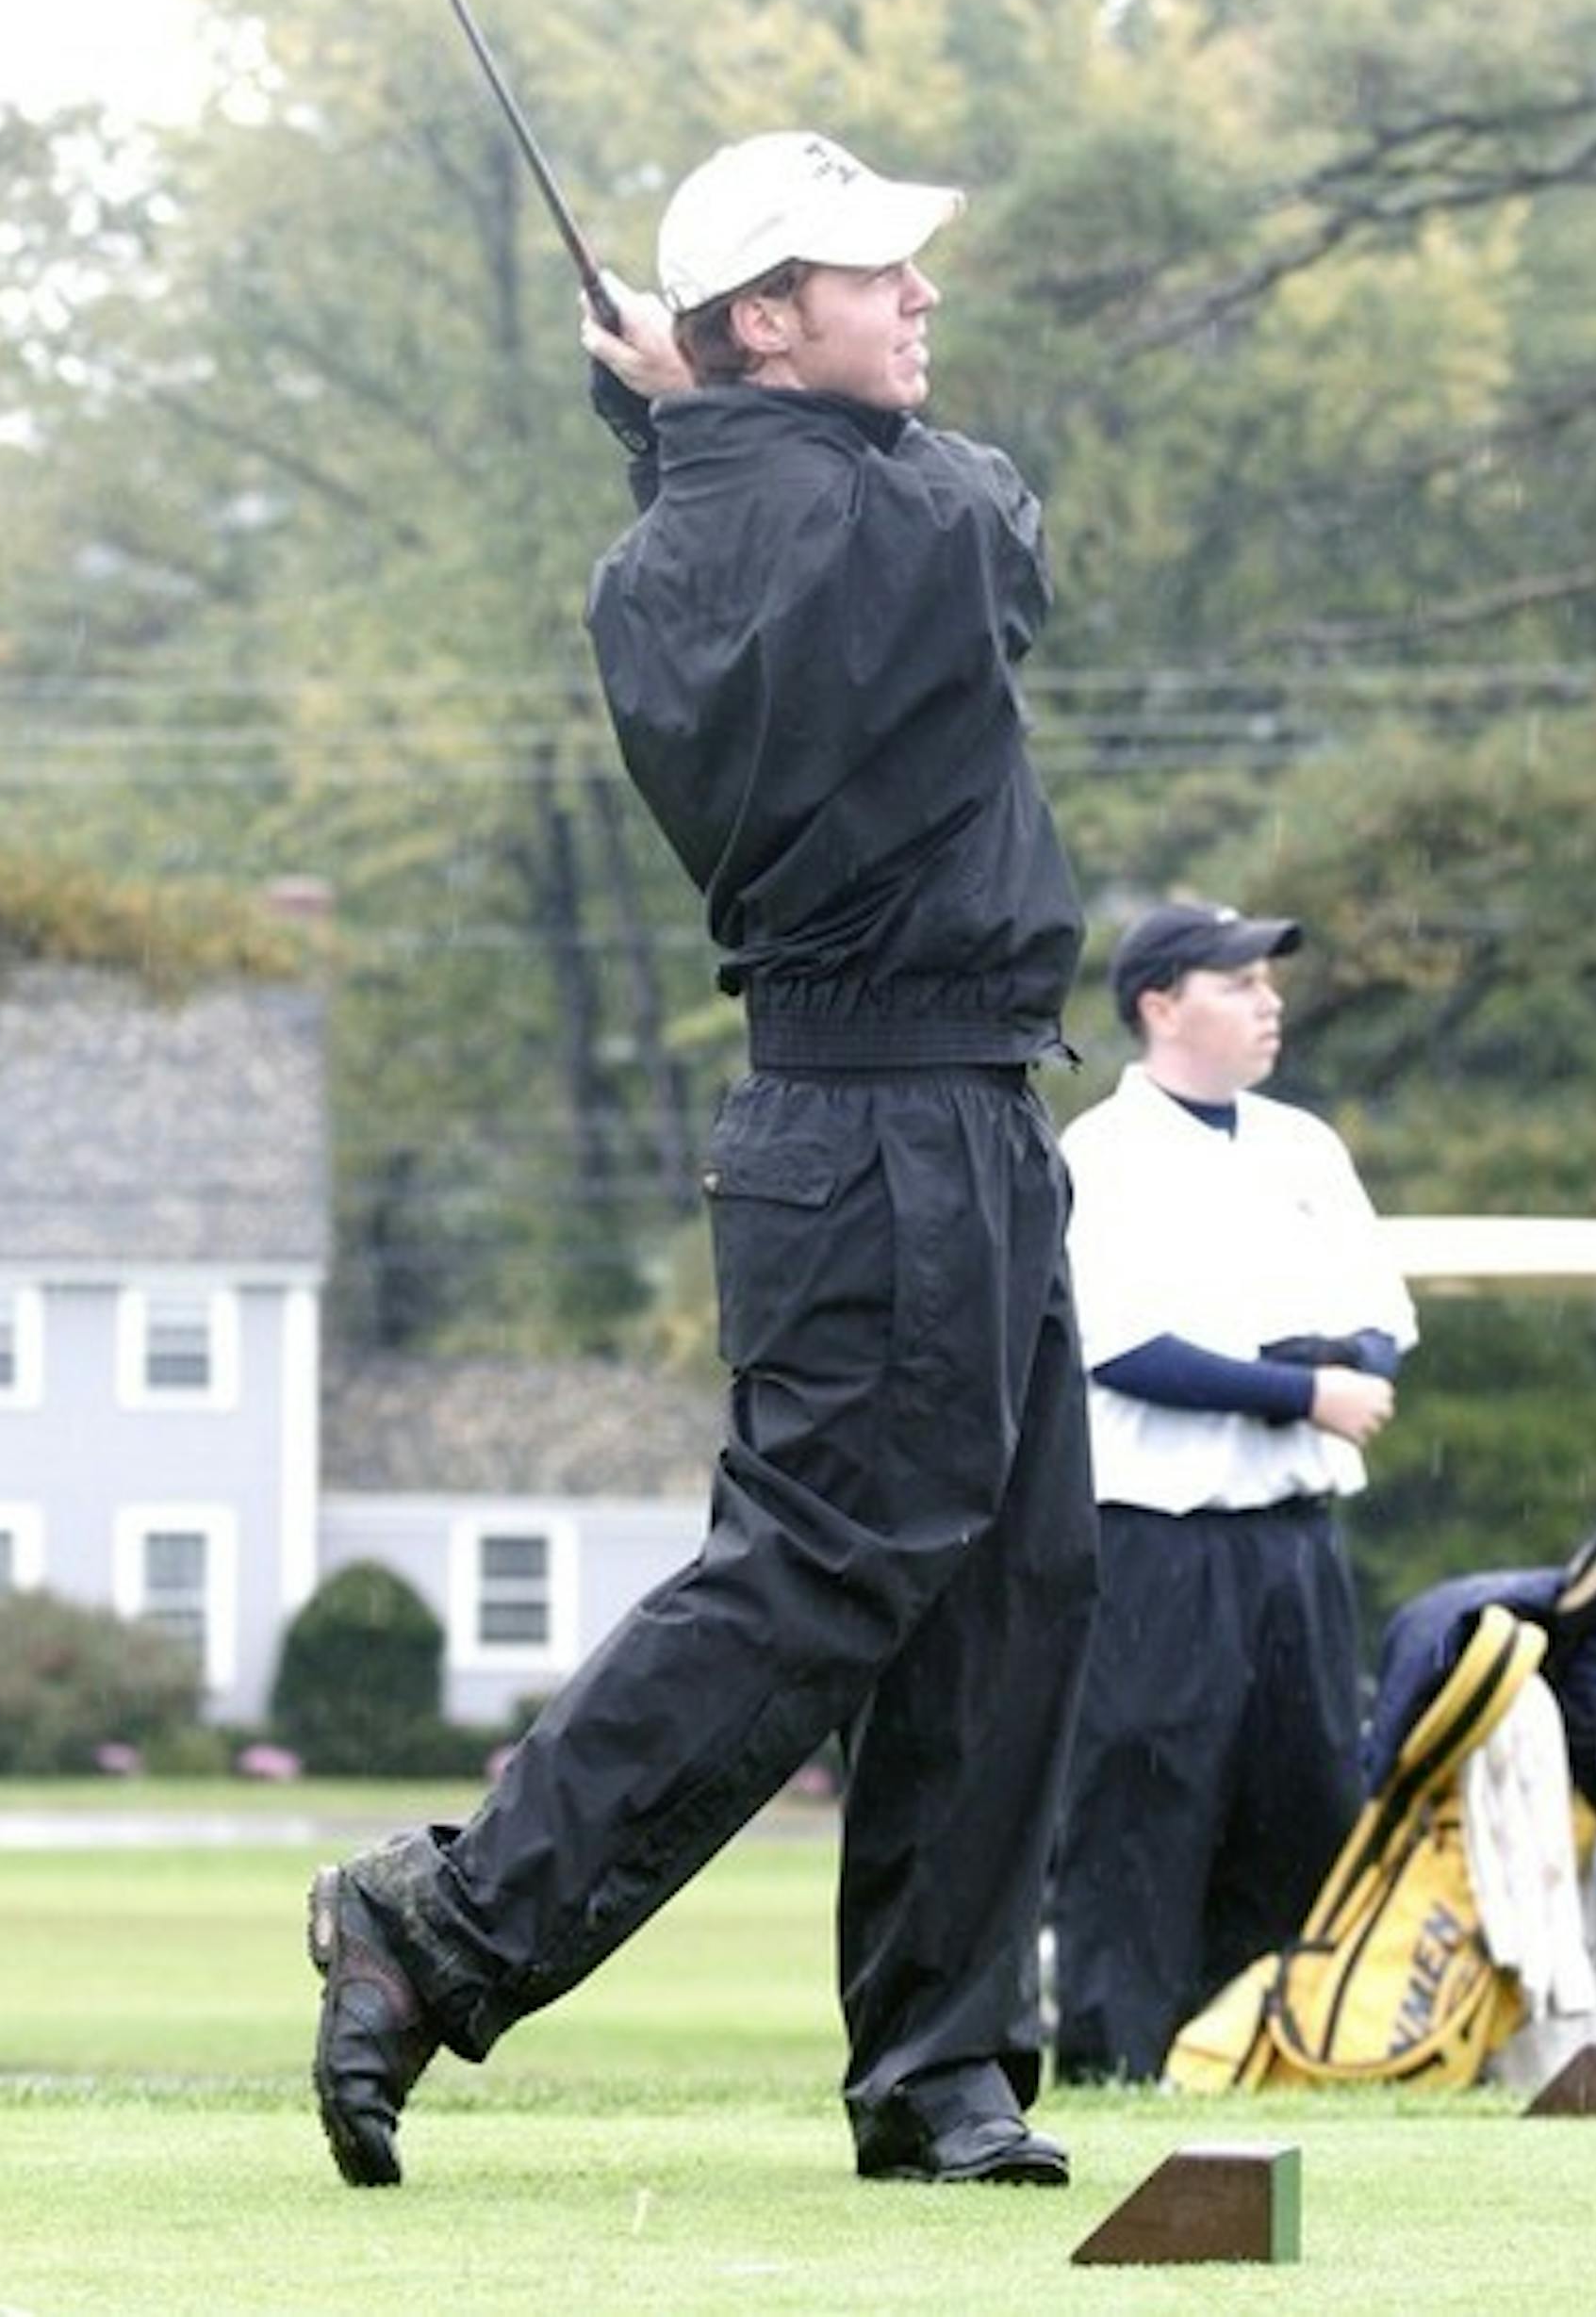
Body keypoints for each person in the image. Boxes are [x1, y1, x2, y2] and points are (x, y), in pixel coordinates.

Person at [308, 129, 1099, 2189]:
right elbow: (999, 533)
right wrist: (698, 414)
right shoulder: (855, 527)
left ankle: (937, 2067)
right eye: (871, 276)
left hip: (950, 1116)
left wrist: (680, 417)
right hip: (877, 1124)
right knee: (829, 1572)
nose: (921, 297)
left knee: (1001, 1594)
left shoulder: (673, 540)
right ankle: (442, 1922)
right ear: (766, 322)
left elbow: (808, 498)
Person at [1045, 899, 1418, 2085]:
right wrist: (1297, 1391)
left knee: (1303, 1793)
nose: (1267, 1003)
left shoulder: (1302, 1147)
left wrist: (1335, 1364)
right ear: (1160, 1004)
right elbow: (1120, 1345)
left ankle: (1263, 2052)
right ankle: (1116, 2060)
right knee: (1142, 1796)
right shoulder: (1102, 1155)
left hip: (1293, 1537)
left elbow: (1381, 1314)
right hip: (1158, 1537)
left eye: (1267, 982)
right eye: (1237, 982)